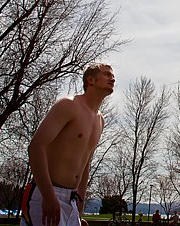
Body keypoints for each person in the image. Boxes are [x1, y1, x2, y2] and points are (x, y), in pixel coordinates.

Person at [21, 63, 115, 226]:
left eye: (112, 75)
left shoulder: (100, 120)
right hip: (46, 193)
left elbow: (85, 164)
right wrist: (48, 196)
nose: (112, 78)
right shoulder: (69, 105)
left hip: (71, 199)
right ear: (90, 80)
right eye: (107, 74)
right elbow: (36, 146)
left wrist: (78, 209)